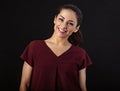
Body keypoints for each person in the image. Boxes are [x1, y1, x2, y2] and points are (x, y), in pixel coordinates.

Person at [19, 4, 92, 91]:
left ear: (76, 28)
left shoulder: (80, 54)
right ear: (55, 19)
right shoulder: (34, 47)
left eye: (70, 23)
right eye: (61, 19)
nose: (64, 26)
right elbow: (24, 85)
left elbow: (83, 88)